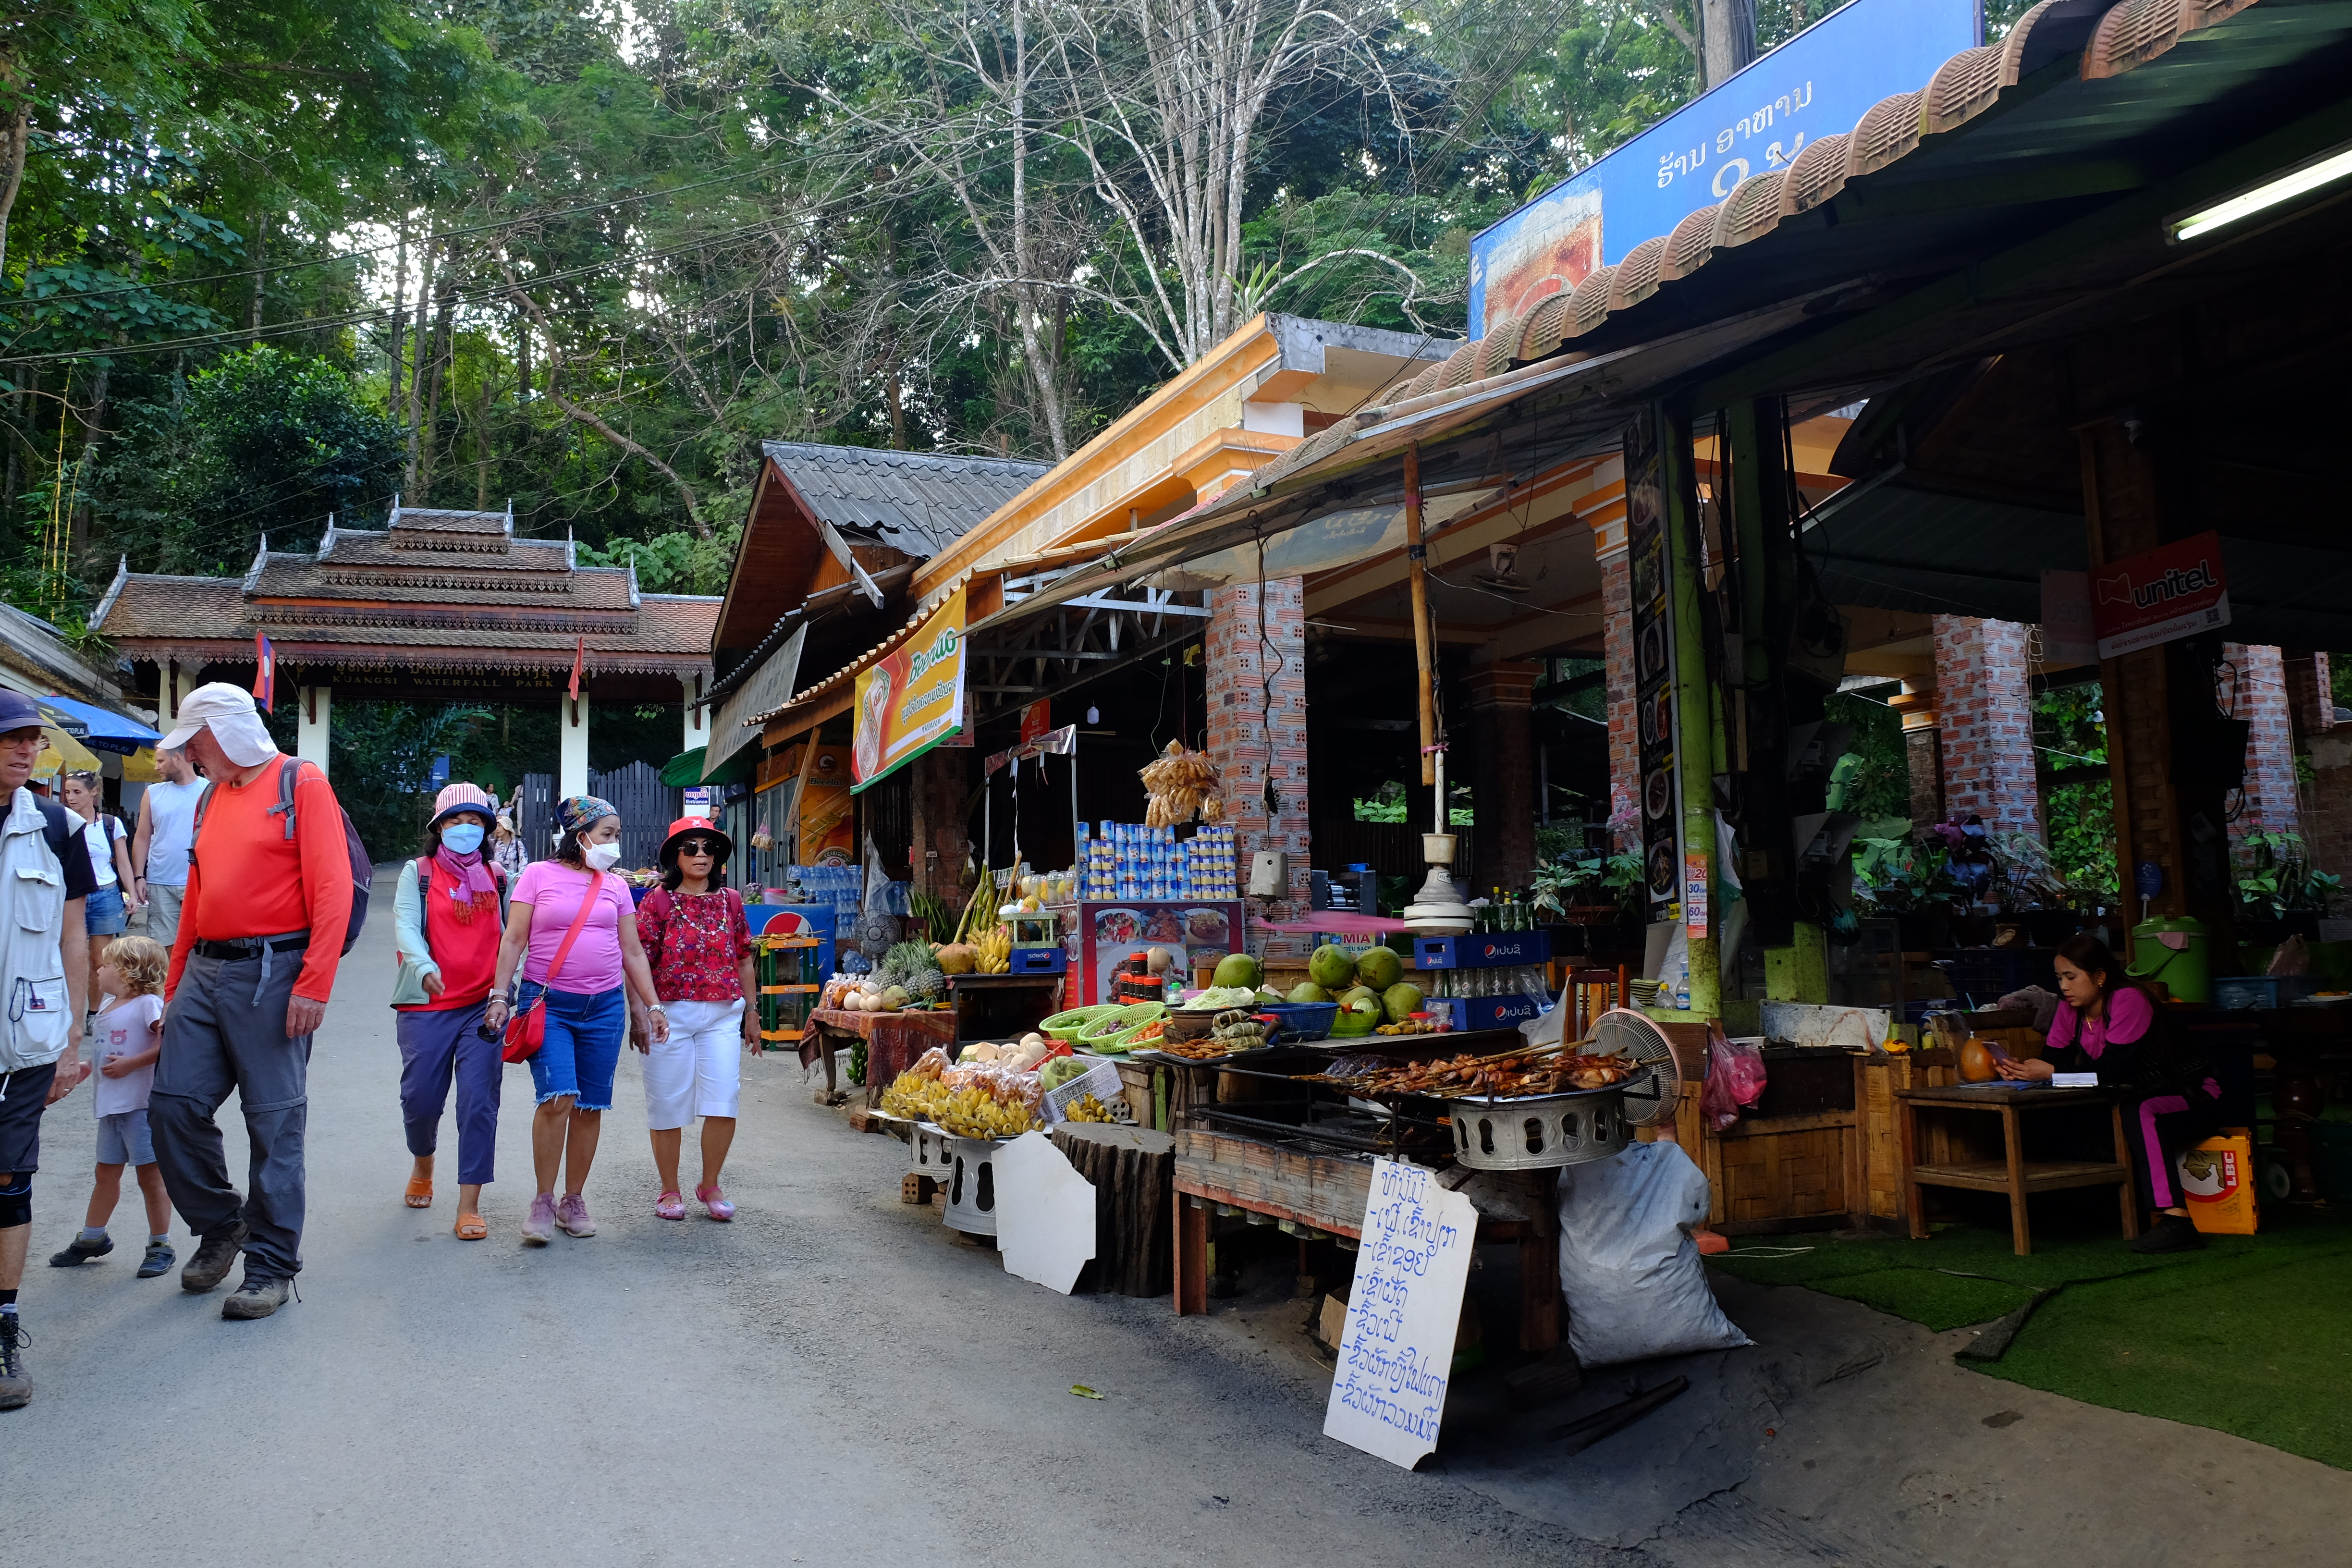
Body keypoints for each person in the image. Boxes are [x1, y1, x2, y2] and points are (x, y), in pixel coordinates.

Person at [151, 682, 354, 1320]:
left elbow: (334, 888)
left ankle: (270, 1265)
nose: (191, 756)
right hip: (205, 972)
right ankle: (222, 1223)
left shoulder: (301, 783)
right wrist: (174, 985)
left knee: (274, 1124)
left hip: (275, 972)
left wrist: (315, 981)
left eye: (196, 743)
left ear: (222, 734)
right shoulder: (212, 796)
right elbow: (196, 896)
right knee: (171, 1106)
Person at [487, 796, 666, 1246]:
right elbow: (513, 939)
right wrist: (499, 995)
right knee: (558, 1099)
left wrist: (652, 1006)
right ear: (579, 834)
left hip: (603, 1008)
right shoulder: (537, 876)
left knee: (589, 1106)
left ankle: (574, 1199)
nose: (614, 844)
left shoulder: (616, 886)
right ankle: (543, 1200)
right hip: (549, 1004)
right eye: (608, 835)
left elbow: (632, 952)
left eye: (617, 836)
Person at [1995, 933, 2226, 1254]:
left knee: (2141, 1111)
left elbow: (2109, 1073)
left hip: (2193, 1094)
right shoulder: (2069, 1009)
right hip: (2128, 1096)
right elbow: (2054, 1062)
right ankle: (2082, 1210)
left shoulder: (2128, 1000)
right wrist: (2022, 1071)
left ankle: (2177, 1221)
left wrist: (2050, 1073)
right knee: (2054, 1120)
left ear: (2100, 976)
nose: (2064, 987)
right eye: (2059, 978)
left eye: (2071, 977)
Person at [0, 689, 93, 1409]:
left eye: (32, 739)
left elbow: (73, 939)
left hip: (23, 1041)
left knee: (10, 1184)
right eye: (12, 739)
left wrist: (71, 1039)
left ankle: (3, 1328)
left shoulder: (58, 827)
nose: (27, 749)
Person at [392, 784, 506, 1240]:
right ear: (438, 828)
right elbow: (405, 923)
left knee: (479, 1103)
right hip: (426, 1005)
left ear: (487, 829)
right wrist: (421, 966)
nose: (465, 829)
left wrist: (504, 992)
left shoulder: (497, 876)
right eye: (455, 821)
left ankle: (469, 1203)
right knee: (420, 1101)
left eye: (475, 821)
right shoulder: (417, 872)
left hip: (482, 1007)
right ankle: (424, 1160)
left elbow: (509, 936)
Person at [633, 819, 756, 1222]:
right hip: (669, 1015)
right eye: (691, 848)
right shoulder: (657, 901)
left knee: (724, 1101)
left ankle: (711, 1183)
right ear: (675, 856)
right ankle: (670, 1190)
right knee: (668, 1105)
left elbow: (743, 957)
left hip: (723, 1014)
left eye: (709, 848)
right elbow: (638, 961)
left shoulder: (732, 901)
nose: (701, 854)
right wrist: (641, 1013)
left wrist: (752, 1013)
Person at [49, 935, 174, 1278]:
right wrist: (87, 1067)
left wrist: (132, 1064)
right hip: (112, 1107)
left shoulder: (149, 1004)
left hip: (139, 1106)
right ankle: (93, 1237)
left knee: (151, 1177)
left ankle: (160, 1244)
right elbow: (106, 1048)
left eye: (106, 965)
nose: (99, 969)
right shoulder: (106, 1006)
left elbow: (169, 1042)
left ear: (129, 972)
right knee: (106, 1174)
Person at [61, 770, 140, 1010]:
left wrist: (132, 893)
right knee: (70, 957)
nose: (71, 798)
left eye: (77, 792)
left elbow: (123, 862)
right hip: (72, 895)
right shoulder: (61, 821)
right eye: (67, 792)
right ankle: (68, 1010)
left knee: (100, 959)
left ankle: (93, 1011)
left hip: (104, 894)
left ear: (93, 792)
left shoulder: (109, 824)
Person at [131, 744, 206, 949]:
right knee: (164, 949)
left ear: (179, 759)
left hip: (199, 880)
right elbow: (142, 837)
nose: (157, 767)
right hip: (161, 881)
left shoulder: (209, 790)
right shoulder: (153, 793)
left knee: (200, 945)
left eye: (161, 761)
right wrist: (139, 876)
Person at [491, 812, 528, 886]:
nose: (497, 829)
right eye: (496, 827)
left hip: (513, 881)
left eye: (500, 826)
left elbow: (523, 862)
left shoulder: (518, 844)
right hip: (497, 881)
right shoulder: (494, 844)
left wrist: (521, 875)